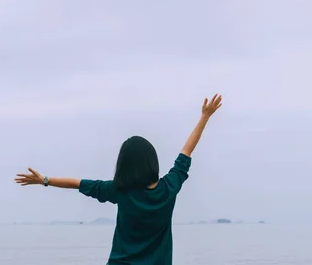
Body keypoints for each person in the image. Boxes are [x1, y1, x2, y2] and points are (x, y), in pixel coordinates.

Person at [15, 93, 223, 264]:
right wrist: (205, 117)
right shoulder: (169, 187)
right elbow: (186, 151)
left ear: (124, 166)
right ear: (152, 161)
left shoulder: (119, 191)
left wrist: (44, 180)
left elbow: (76, 183)